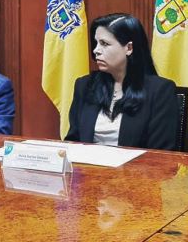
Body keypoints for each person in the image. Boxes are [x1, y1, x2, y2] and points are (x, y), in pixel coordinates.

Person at [66, 13, 178, 149]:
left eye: (104, 44)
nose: (96, 50)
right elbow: (73, 141)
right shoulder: (85, 85)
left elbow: (161, 152)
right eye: (96, 43)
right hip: (86, 162)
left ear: (129, 48)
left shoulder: (160, 90)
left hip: (137, 163)